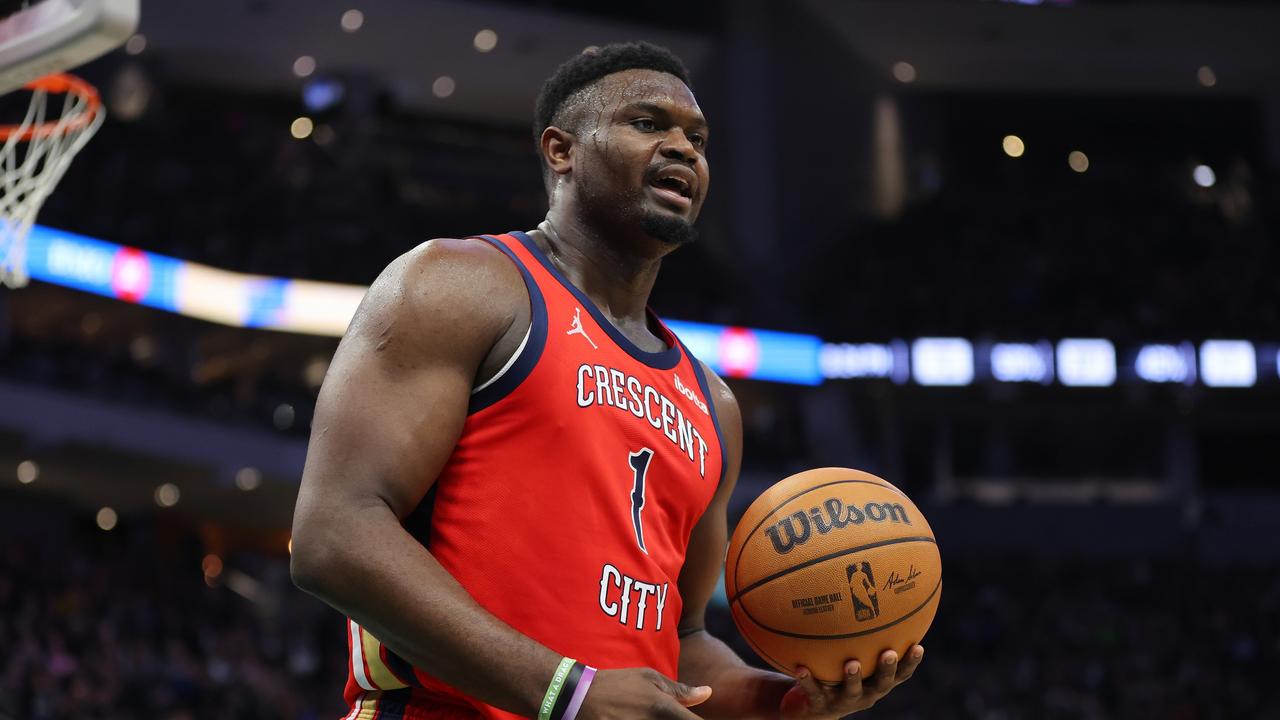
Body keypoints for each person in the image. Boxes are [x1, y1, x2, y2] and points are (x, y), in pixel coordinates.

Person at [290, 41, 924, 720]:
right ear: (561, 151)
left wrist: (788, 703)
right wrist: (568, 690)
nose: (684, 148)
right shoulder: (461, 286)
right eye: (648, 124)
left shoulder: (713, 403)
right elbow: (334, 535)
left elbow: (678, 644)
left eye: (699, 139)